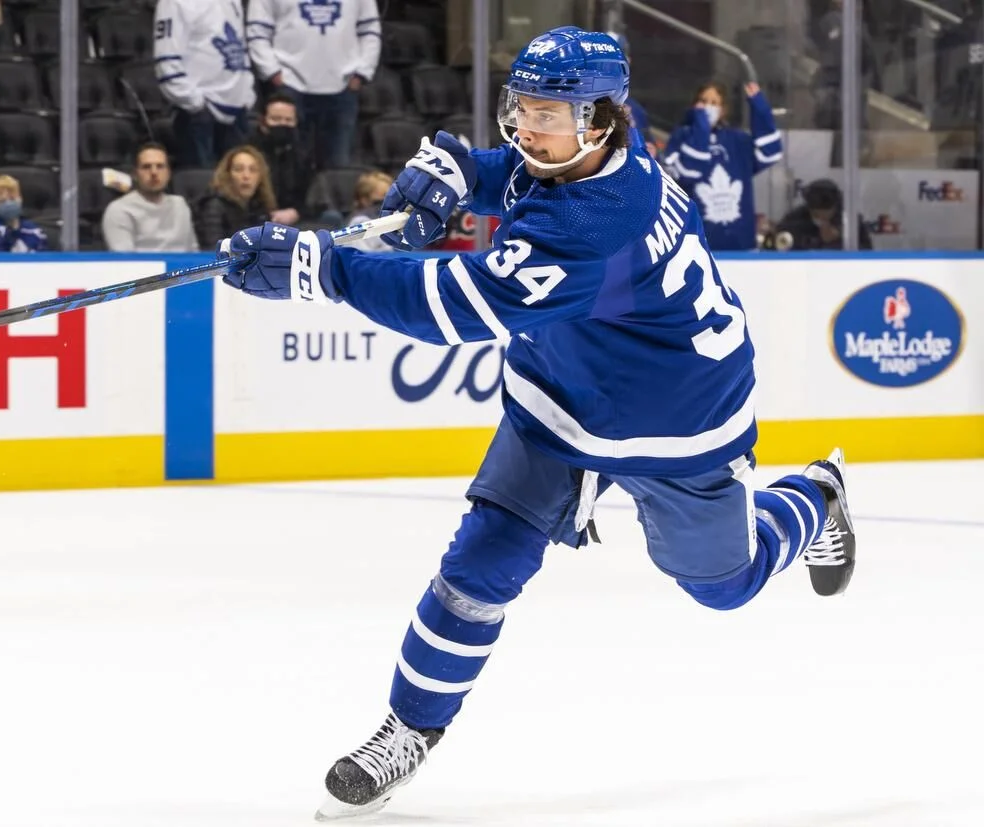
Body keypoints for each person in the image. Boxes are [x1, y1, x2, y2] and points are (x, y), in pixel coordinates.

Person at [214, 28, 857, 820]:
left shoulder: (594, 224)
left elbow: (457, 305)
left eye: (545, 113)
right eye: (519, 106)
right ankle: (409, 729)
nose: (524, 126)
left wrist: (324, 269)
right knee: (477, 566)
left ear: (600, 119)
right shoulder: (593, 154)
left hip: (677, 422)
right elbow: (516, 172)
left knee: (724, 585)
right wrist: (460, 171)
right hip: (563, 396)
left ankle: (817, 497)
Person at [246, 0, 381, 168]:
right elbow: (257, 31)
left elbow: (370, 30)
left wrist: (362, 73)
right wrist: (272, 72)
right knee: (286, 166)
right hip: (290, 86)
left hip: (343, 88)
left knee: (338, 167)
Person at [663, 81, 783, 251]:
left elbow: (770, 152)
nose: (707, 107)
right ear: (694, 105)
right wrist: (701, 129)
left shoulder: (737, 140)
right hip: (696, 247)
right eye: (703, 101)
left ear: (723, 109)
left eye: (714, 103)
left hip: (741, 246)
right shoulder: (681, 137)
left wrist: (759, 107)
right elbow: (686, 175)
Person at [153, 0, 256, 169]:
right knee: (201, 181)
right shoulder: (175, 3)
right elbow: (166, 63)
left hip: (237, 113)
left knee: (239, 183)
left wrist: (246, 95)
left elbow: (241, 49)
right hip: (199, 115)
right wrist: (196, 104)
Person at [101, 143, 199, 252]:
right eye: (146, 167)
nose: (154, 172)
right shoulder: (119, 210)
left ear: (168, 173)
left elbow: (193, 251)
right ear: (135, 174)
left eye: (160, 166)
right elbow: (125, 259)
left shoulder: (180, 204)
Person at [247, 91, 312, 227]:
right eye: (276, 119)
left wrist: (296, 212)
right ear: (263, 122)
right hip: (255, 216)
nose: (283, 124)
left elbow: (312, 193)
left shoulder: (303, 152)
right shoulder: (248, 152)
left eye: (288, 120)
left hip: (295, 216)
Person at [194, 145, 274, 249]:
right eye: (239, 169)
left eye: (253, 170)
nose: (246, 176)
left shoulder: (261, 206)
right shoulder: (214, 206)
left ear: (260, 177)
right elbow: (214, 250)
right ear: (227, 175)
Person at [772, 178, 872, 251]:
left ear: (835, 208)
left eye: (825, 215)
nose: (821, 218)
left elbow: (866, 252)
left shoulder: (850, 221)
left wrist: (838, 240)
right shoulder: (795, 219)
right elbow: (779, 244)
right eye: (816, 215)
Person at [0, 173, 46, 252]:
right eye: (2, 201)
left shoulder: (32, 229)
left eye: (12, 198)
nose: (8, 203)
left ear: (21, 198)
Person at [342, 170, 392, 252]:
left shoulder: (393, 220)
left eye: (392, 195)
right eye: (383, 195)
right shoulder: (358, 223)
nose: (390, 200)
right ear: (364, 199)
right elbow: (361, 257)